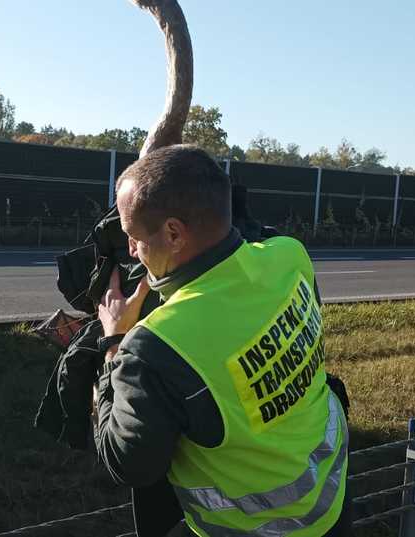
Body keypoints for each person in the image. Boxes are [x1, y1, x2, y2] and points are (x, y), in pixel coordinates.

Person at [93, 146, 351, 537]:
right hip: (333, 500)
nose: (131, 250)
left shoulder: (156, 346)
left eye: (134, 237)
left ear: (174, 234)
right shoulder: (290, 255)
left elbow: (127, 464)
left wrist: (114, 341)